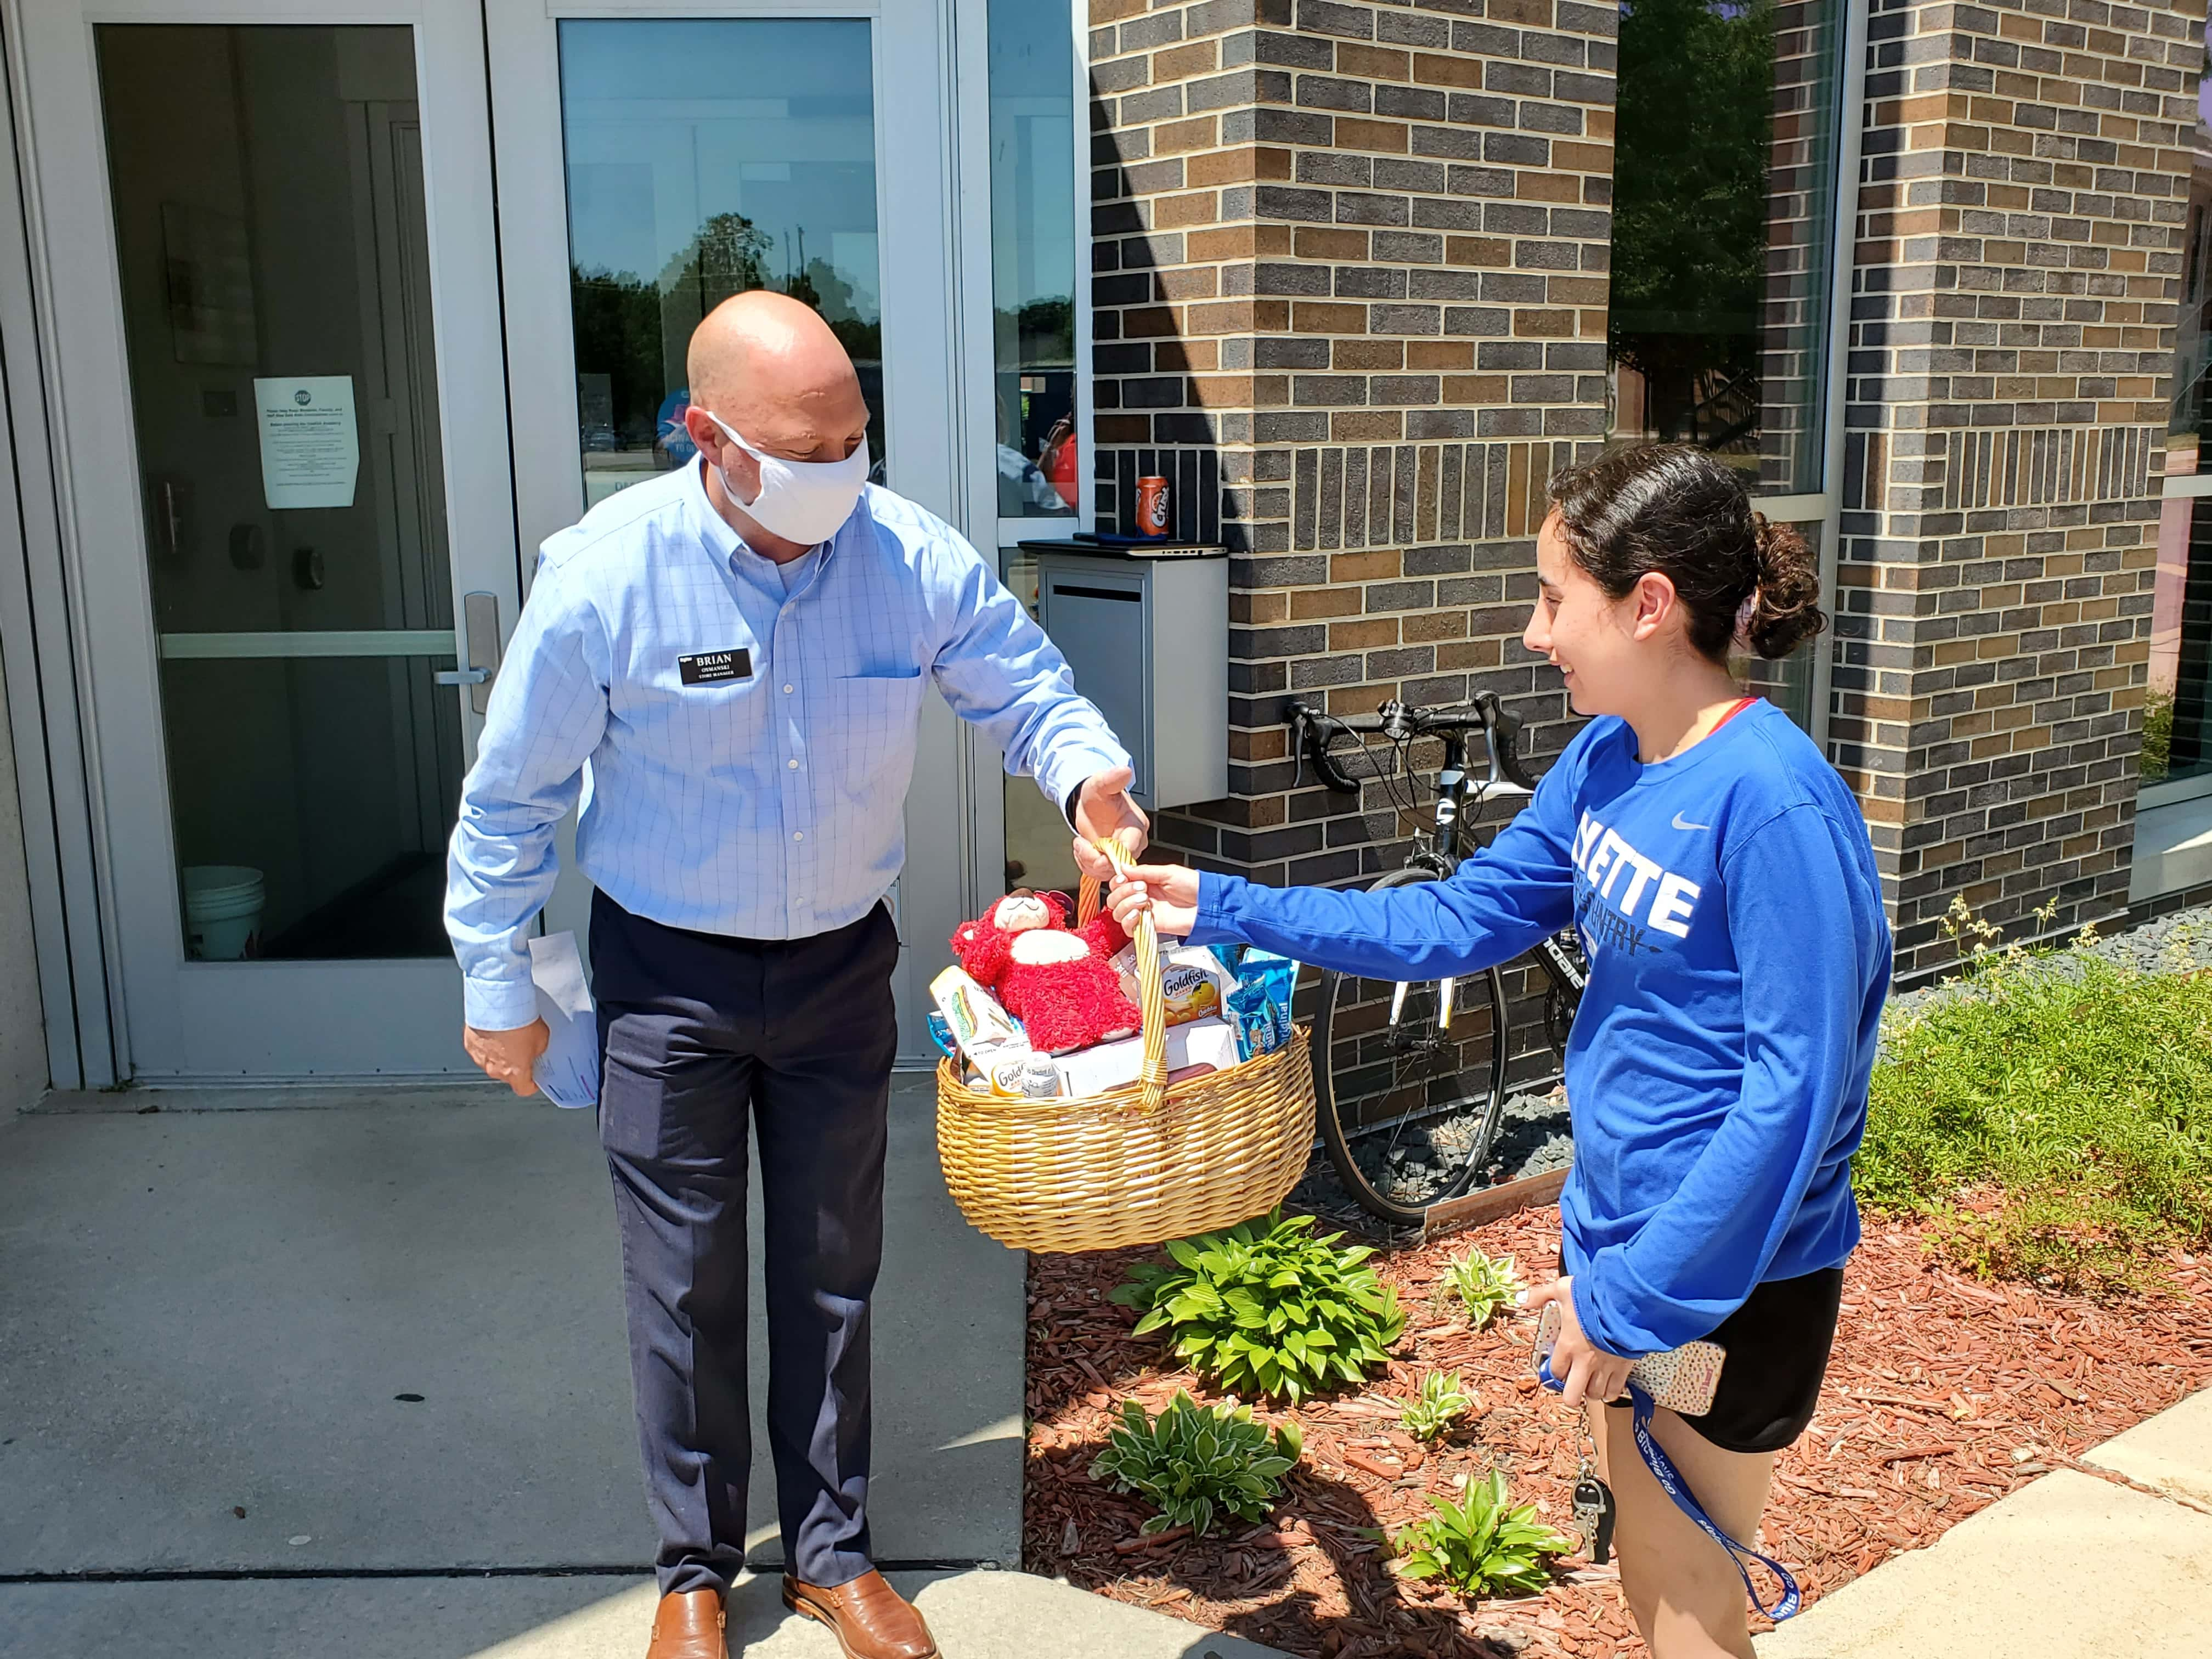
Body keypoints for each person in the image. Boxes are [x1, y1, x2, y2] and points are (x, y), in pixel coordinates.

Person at [1086, 444, 1889, 1659]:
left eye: (1555, 599)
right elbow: (1455, 921)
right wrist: (1223, 903)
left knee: (1683, 1589)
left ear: (1651, 604)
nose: (1533, 632)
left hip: (1732, 1282)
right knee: (1654, 1557)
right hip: (1634, 1247)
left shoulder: (1773, 804)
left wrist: (1625, 1305)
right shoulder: (1613, 758)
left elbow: (1794, 1101)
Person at [448, 290, 1145, 1659]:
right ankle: (696, 1573)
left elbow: (1025, 687)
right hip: (665, 979)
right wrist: (499, 985)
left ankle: (831, 1553)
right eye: (806, 448)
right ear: (706, 435)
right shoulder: (605, 576)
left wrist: (1088, 779)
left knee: (834, 1271)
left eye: (856, 438)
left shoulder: (907, 554)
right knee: (683, 1281)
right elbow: (511, 800)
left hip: (837, 968)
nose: (842, 471)